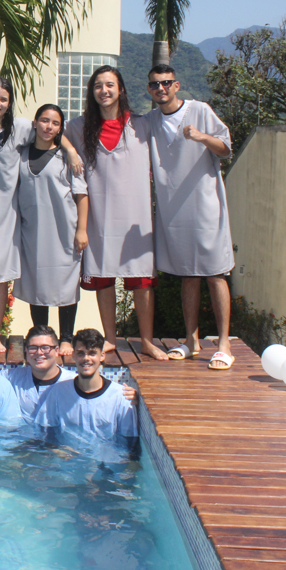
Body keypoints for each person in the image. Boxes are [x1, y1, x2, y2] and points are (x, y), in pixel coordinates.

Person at [0, 77, 82, 354]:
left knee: (0, 278)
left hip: (7, 216)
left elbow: (50, 131)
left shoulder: (21, 128)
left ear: (9, 103)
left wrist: (71, 150)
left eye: (3, 99)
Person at [64, 66, 168, 360]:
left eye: (110, 85)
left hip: (137, 216)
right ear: (92, 91)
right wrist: (71, 150)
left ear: (121, 89)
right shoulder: (80, 127)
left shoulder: (142, 124)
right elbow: (53, 131)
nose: (104, 91)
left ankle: (146, 341)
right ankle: (110, 338)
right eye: (98, 85)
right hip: (99, 215)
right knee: (104, 277)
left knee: (142, 279)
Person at [145, 64, 235, 369]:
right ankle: (191, 341)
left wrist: (201, 137)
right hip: (174, 210)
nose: (161, 88)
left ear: (177, 85)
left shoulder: (200, 110)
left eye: (166, 83)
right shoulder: (151, 121)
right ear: (149, 90)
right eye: (155, 84)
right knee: (188, 275)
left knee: (215, 272)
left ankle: (223, 345)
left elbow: (225, 149)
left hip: (206, 205)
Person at [13, 103, 88, 344]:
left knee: (66, 283)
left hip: (63, 230)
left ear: (60, 128)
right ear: (35, 123)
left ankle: (66, 337)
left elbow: (81, 194)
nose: (49, 127)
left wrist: (82, 230)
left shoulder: (68, 158)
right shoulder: (21, 154)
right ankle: (42, 336)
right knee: (37, 283)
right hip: (32, 232)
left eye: (56, 123)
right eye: (45, 120)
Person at [2, 327, 136, 422]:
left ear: (57, 351)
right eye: (33, 348)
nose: (39, 353)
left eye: (45, 348)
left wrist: (132, 396)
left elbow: (100, 394)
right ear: (26, 350)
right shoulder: (10, 378)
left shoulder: (72, 384)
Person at [33, 327, 138, 444]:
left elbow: (129, 445)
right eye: (81, 353)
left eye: (92, 353)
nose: (86, 358)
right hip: (66, 454)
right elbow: (44, 433)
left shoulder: (121, 398)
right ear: (73, 355)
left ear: (102, 356)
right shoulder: (58, 393)